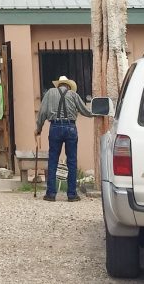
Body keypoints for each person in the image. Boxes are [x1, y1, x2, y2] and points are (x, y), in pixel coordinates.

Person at [35, 74, 92, 202]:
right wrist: (96, 113)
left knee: (53, 160)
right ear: (68, 85)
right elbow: (85, 111)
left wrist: (38, 129)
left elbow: (42, 112)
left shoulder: (50, 93)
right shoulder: (73, 95)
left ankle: (51, 194)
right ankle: (72, 195)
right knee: (71, 161)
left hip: (55, 127)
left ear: (59, 85)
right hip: (71, 128)